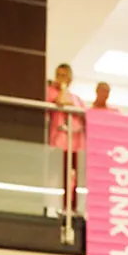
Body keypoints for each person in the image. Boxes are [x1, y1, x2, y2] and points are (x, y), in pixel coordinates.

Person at [46, 63, 84, 210]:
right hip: (58, 142)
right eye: (59, 75)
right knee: (58, 175)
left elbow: (82, 113)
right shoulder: (51, 91)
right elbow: (60, 102)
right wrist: (62, 90)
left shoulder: (76, 98)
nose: (61, 79)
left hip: (74, 143)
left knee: (73, 177)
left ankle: (71, 207)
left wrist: (71, 105)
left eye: (64, 76)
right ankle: (54, 206)